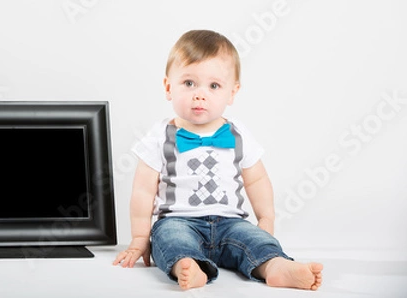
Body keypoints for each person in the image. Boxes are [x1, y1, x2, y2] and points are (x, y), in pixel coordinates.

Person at [112, 29, 323, 291]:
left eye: (214, 86)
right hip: (179, 220)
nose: (200, 95)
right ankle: (188, 267)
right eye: (189, 83)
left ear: (232, 93)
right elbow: (143, 190)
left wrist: (265, 218)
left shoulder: (238, 134)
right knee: (169, 240)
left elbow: (256, 179)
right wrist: (140, 238)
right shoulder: (160, 135)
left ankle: (276, 267)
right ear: (168, 87)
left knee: (254, 240)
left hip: (230, 223)